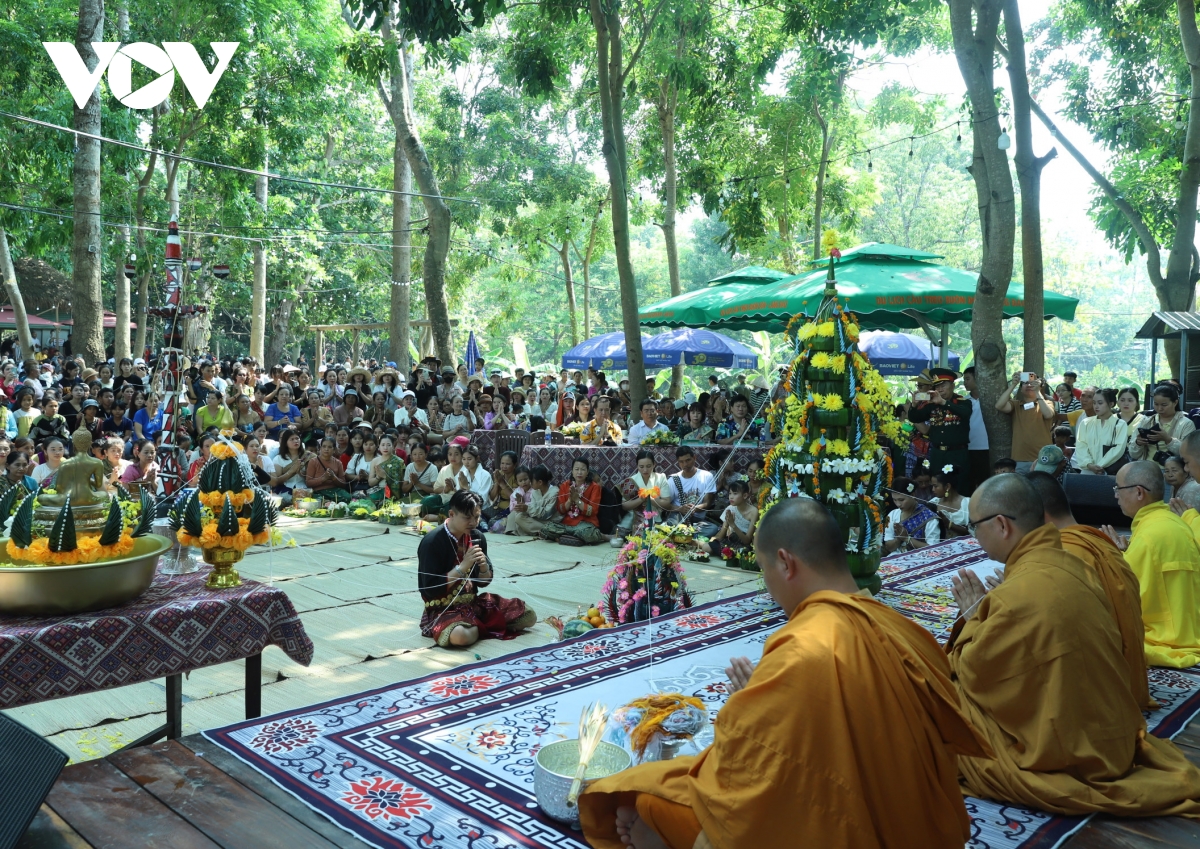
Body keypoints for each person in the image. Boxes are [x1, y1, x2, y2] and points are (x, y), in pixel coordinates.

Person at [580, 497, 991, 849]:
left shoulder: (803, 645)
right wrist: (766, 698)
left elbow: (747, 769)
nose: (768, 585)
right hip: (925, 832)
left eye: (764, 571)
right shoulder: (908, 632)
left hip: (843, 832)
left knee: (647, 795)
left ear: (785, 562)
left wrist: (749, 708)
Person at [949, 473, 1200, 817]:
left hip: (1073, 749)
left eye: (974, 526)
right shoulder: (1073, 564)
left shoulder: (1015, 596)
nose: (974, 535)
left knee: (943, 698)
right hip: (1113, 732)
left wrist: (974, 617)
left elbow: (974, 672)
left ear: (1002, 525)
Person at [1024, 471, 1152, 709]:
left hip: (1097, 697)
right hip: (1130, 681)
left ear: (1036, 513)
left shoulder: (1060, 555)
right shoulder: (1105, 544)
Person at [1098, 460, 1200, 668]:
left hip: (1165, 639)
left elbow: (1123, 595)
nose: (1116, 495)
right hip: (1190, 630)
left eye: (1118, 488)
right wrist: (1125, 555)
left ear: (1138, 492)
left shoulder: (1148, 536)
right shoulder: (1175, 523)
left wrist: (1112, 559)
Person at [416, 491, 536, 648]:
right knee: (460, 636)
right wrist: (463, 567)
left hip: (472, 605)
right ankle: (485, 626)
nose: (473, 522)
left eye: (477, 517)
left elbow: (482, 583)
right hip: (443, 609)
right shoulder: (432, 542)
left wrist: (484, 567)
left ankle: (478, 626)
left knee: (528, 615)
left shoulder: (477, 536)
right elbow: (429, 588)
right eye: (467, 517)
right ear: (451, 514)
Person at [907, 368, 972, 494]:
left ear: (952, 386)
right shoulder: (932, 404)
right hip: (937, 454)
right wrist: (914, 405)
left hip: (957, 454)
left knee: (960, 488)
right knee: (938, 488)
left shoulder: (962, 402)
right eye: (937, 386)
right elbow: (915, 418)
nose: (940, 389)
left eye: (943, 386)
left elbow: (965, 413)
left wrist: (944, 402)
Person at [995, 372, 1055, 472]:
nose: (1029, 385)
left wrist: (1037, 392)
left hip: (1043, 458)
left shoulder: (1047, 403)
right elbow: (999, 406)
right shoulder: (1016, 405)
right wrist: (1013, 385)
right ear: (1021, 389)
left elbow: (1048, 414)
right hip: (1020, 458)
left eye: (1033, 383)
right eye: (1025, 383)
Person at [539, 456, 605, 544]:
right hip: (567, 524)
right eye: (576, 469)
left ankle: (565, 537)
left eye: (583, 469)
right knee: (546, 529)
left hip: (585, 524)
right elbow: (561, 510)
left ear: (587, 472)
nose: (579, 472)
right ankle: (574, 537)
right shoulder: (565, 485)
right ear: (572, 471)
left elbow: (593, 511)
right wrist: (570, 501)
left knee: (588, 534)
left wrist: (577, 500)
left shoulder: (594, 487)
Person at [1129, 384, 1195, 466]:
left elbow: (1189, 453)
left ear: (1175, 402)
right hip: (1147, 468)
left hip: (1173, 470)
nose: (1159, 408)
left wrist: (1168, 440)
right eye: (1156, 404)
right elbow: (1133, 454)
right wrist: (1138, 443)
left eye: (1164, 405)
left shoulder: (1186, 424)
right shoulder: (1146, 422)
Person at [1073, 388, 1128, 475]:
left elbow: (1118, 449)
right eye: (1094, 403)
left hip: (1109, 472)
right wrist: (1089, 464)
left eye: (1100, 403)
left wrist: (1099, 465)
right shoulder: (1085, 423)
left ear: (1111, 404)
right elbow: (1081, 445)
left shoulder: (1120, 424)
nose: (1096, 406)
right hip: (1087, 470)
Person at [698, 479, 757, 557]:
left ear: (745, 495)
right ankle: (727, 554)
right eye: (730, 493)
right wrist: (725, 526)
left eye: (735, 493)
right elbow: (721, 535)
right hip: (730, 540)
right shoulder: (730, 508)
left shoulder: (754, 511)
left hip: (743, 544)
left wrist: (732, 525)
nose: (731, 497)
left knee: (742, 553)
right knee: (706, 547)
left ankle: (728, 554)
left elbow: (747, 540)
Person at [619, 450, 672, 534]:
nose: (645, 470)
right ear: (637, 466)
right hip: (633, 520)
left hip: (655, 519)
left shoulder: (660, 478)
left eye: (648, 466)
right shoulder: (631, 481)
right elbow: (624, 505)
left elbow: (666, 503)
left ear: (654, 464)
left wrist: (650, 499)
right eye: (641, 467)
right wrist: (640, 499)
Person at [882, 476, 940, 553]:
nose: (898, 504)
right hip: (896, 557)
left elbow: (934, 549)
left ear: (912, 495)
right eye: (894, 500)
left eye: (901, 500)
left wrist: (907, 538)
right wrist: (899, 538)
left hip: (921, 558)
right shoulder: (892, 515)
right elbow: (888, 547)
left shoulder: (929, 518)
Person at [664, 445, 716, 527]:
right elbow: (666, 504)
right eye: (681, 462)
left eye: (688, 460)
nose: (685, 464)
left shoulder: (707, 476)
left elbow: (707, 503)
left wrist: (695, 508)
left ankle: (685, 532)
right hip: (678, 517)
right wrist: (680, 509)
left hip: (698, 519)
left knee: (712, 528)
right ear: (678, 462)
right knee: (672, 525)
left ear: (694, 458)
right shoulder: (673, 480)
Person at [504, 464, 557, 536]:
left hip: (548, 522)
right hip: (537, 519)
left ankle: (549, 531)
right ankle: (512, 532)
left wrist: (527, 508)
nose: (530, 483)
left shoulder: (554, 492)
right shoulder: (536, 492)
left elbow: (546, 515)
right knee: (516, 514)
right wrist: (522, 507)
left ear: (540, 482)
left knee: (519, 518)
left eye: (531, 480)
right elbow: (533, 509)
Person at [269, 428, 313, 506]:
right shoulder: (278, 459)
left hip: (305, 490)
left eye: (297, 438)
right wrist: (292, 471)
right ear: (286, 443)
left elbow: (312, 477)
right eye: (292, 439)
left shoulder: (308, 456)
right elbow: (277, 481)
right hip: (285, 491)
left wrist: (302, 473)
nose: (295, 441)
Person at [422, 442, 467, 518]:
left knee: (451, 507)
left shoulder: (467, 469)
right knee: (426, 501)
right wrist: (446, 489)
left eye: (456, 454)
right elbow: (436, 489)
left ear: (462, 455)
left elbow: (469, 491)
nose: (453, 457)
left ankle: (437, 517)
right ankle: (440, 514)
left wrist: (454, 489)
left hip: (459, 500)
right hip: (445, 497)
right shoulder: (444, 469)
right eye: (450, 454)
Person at [305, 437, 353, 502]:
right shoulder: (313, 461)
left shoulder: (338, 463)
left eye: (329, 447)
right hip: (318, 492)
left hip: (335, 491)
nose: (326, 449)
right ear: (320, 448)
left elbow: (343, 484)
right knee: (319, 500)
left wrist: (334, 478)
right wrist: (323, 478)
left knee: (348, 497)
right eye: (324, 446)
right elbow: (308, 483)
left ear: (334, 450)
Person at [930, 466, 969, 537]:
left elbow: (974, 531)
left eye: (935, 486)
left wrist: (949, 524)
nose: (933, 489)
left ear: (947, 486)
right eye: (932, 486)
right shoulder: (933, 503)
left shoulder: (967, 503)